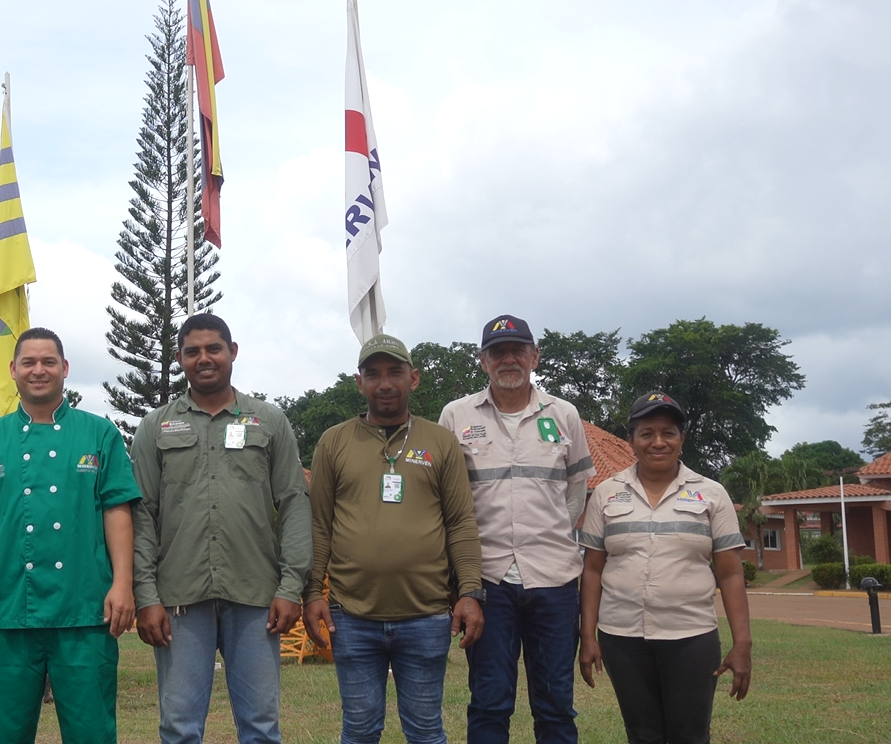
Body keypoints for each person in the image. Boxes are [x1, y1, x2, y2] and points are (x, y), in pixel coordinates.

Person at [0, 327, 140, 744]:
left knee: (93, 733)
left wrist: (122, 583)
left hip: (86, 610)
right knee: (6, 734)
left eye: (49, 361)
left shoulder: (99, 434)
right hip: (8, 611)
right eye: (29, 362)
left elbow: (117, 510)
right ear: (12, 370)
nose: (39, 370)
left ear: (65, 369)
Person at [130, 313, 311, 744]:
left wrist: (291, 587)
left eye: (214, 348)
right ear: (179, 358)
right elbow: (141, 516)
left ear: (233, 352)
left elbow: (293, 503)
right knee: (179, 727)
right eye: (192, 351)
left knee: (262, 727)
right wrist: (146, 595)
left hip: (256, 596)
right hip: (178, 599)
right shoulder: (156, 426)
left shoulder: (268, 421)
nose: (204, 358)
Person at [302, 333, 484, 744]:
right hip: (352, 615)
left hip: (426, 614)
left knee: (425, 730)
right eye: (374, 374)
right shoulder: (334, 442)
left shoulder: (441, 442)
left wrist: (471, 591)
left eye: (395, 372)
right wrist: (312, 593)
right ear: (359, 382)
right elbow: (318, 525)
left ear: (413, 378)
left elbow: (460, 522)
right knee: (360, 730)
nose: (385, 383)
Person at [438, 314, 593, 744]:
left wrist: (547, 534)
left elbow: (575, 494)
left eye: (517, 350)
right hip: (487, 582)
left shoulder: (564, 415)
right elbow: (449, 500)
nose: (508, 359)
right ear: (482, 360)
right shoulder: (456, 415)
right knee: (489, 702)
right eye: (497, 352)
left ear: (534, 357)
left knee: (556, 705)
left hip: (555, 581)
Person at [578, 391, 753, 744]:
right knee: (642, 734)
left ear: (682, 439)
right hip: (621, 639)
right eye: (646, 433)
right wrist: (587, 636)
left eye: (668, 433)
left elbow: (731, 573)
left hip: (691, 637)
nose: (658, 442)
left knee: (689, 734)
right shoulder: (606, 494)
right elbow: (593, 569)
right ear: (631, 440)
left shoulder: (711, 494)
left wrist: (742, 643)